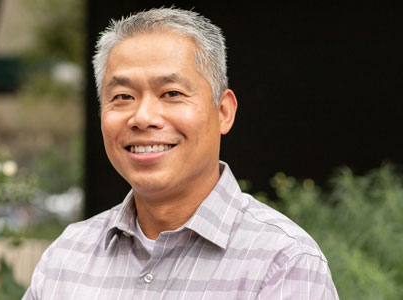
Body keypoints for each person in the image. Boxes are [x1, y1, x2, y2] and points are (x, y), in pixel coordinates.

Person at [23, 7, 339, 300]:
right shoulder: (66, 257)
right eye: (123, 96)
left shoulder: (283, 263)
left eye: (172, 93)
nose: (143, 117)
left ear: (224, 112)